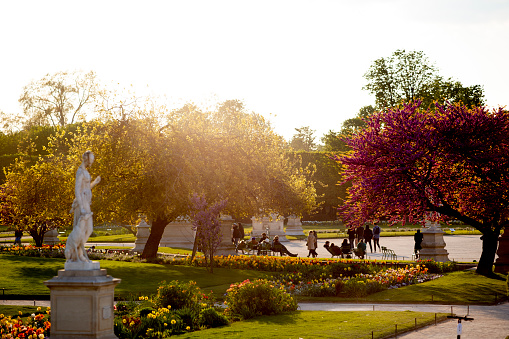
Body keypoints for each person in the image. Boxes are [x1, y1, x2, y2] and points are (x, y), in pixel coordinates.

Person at [65, 150, 101, 263]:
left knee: (89, 229)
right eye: (91, 160)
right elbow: (77, 190)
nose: (92, 163)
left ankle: (79, 253)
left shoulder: (85, 171)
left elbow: (86, 187)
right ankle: (78, 254)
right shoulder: (80, 172)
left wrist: (94, 183)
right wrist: (81, 207)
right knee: (83, 230)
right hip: (82, 203)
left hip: (86, 202)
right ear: (87, 160)